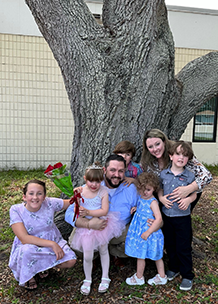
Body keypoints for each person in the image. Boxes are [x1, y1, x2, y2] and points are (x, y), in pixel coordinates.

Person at [65, 162, 125, 295]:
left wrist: (89, 213)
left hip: (101, 224)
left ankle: (105, 276)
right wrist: (77, 200)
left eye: (97, 182)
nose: (94, 185)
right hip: (86, 228)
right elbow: (75, 210)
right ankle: (87, 279)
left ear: (101, 180)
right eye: (91, 181)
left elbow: (104, 210)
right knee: (87, 254)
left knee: (104, 250)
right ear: (85, 179)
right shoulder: (80, 191)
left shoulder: (103, 191)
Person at [67, 154, 138, 261]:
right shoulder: (91, 186)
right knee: (78, 247)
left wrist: (139, 208)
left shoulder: (131, 189)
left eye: (121, 171)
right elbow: (69, 213)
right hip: (93, 229)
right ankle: (95, 256)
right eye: (112, 170)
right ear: (105, 170)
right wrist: (88, 224)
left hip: (119, 230)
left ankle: (114, 252)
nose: (117, 175)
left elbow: (145, 205)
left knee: (139, 240)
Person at [9, 179, 76, 290]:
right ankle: (29, 277)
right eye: (31, 193)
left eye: (39, 193)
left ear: (44, 196)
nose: (35, 197)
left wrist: (79, 192)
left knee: (71, 260)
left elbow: (70, 202)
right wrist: (52, 244)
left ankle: (41, 266)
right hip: (30, 246)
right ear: (24, 196)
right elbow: (24, 238)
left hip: (53, 240)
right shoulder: (16, 210)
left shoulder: (49, 203)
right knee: (26, 251)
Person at [141, 129, 212, 212]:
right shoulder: (148, 161)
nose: (155, 149)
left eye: (157, 144)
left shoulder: (179, 152)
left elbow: (207, 175)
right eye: (150, 147)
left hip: (188, 193)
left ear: (164, 141)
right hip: (165, 197)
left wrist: (189, 189)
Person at [158, 141, 197, 291]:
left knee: (183, 246)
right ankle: (173, 268)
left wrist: (188, 199)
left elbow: (194, 194)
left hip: (182, 218)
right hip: (167, 216)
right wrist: (161, 198)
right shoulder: (163, 174)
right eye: (178, 154)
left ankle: (187, 275)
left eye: (185, 155)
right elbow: (160, 189)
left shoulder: (189, 176)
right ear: (171, 156)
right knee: (170, 244)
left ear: (188, 159)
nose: (181, 158)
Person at [125, 172, 167, 286]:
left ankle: (160, 276)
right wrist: (136, 208)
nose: (144, 192)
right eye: (142, 189)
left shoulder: (153, 202)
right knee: (140, 254)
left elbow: (158, 219)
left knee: (156, 256)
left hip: (150, 232)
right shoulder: (141, 197)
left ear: (154, 189)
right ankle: (140, 276)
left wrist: (148, 232)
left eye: (148, 189)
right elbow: (141, 206)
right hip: (139, 230)